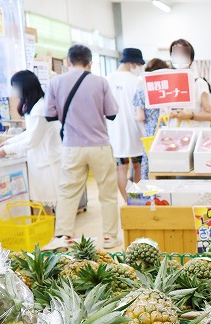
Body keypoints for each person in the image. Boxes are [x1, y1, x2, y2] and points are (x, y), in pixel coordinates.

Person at [43, 44, 120, 251]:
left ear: (68, 61)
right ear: (90, 63)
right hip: (99, 146)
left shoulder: (55, 82)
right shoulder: (100, 82)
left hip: (71, 146)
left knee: (68, 192)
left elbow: (49, 115)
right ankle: (109, 238)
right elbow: (112, 113)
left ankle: (62, 236)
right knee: (108, 194)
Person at [0, 70, 61, 214]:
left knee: (52, 205)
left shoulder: (39, 108)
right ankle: (52, 234)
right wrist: (9, 142)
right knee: (46, 207)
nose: (14, 91)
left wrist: (7, 150)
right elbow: (30, 132)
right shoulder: (34, 106)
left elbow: (32, 140)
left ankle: (61, 235)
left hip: (47, 162)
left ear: (25, 87)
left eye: (15, 87)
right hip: (42, 160)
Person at [107, 48, 146, 198]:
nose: (137, 67)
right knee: (138, 166)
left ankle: (126, 201)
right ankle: (136, 199)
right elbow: (140, 108)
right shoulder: (136, 81)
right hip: (135, 129)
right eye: (137, 63)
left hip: (114, 130)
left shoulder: (107, 79)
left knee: (121, 168)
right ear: (131, 62)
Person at [133, 58, 170, 180]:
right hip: (169, 133)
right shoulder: (168, 90)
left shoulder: (141, 90)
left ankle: (153, 197)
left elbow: (140, 116)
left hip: (152, 135)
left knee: (152, 170)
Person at [167, 39, 211, 128]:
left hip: (193, 134)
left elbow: (210, 115)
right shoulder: (168, 84)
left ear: (191, 58)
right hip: (174, 134)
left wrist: (190, 115)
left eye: (183, 53)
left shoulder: (199, 83)